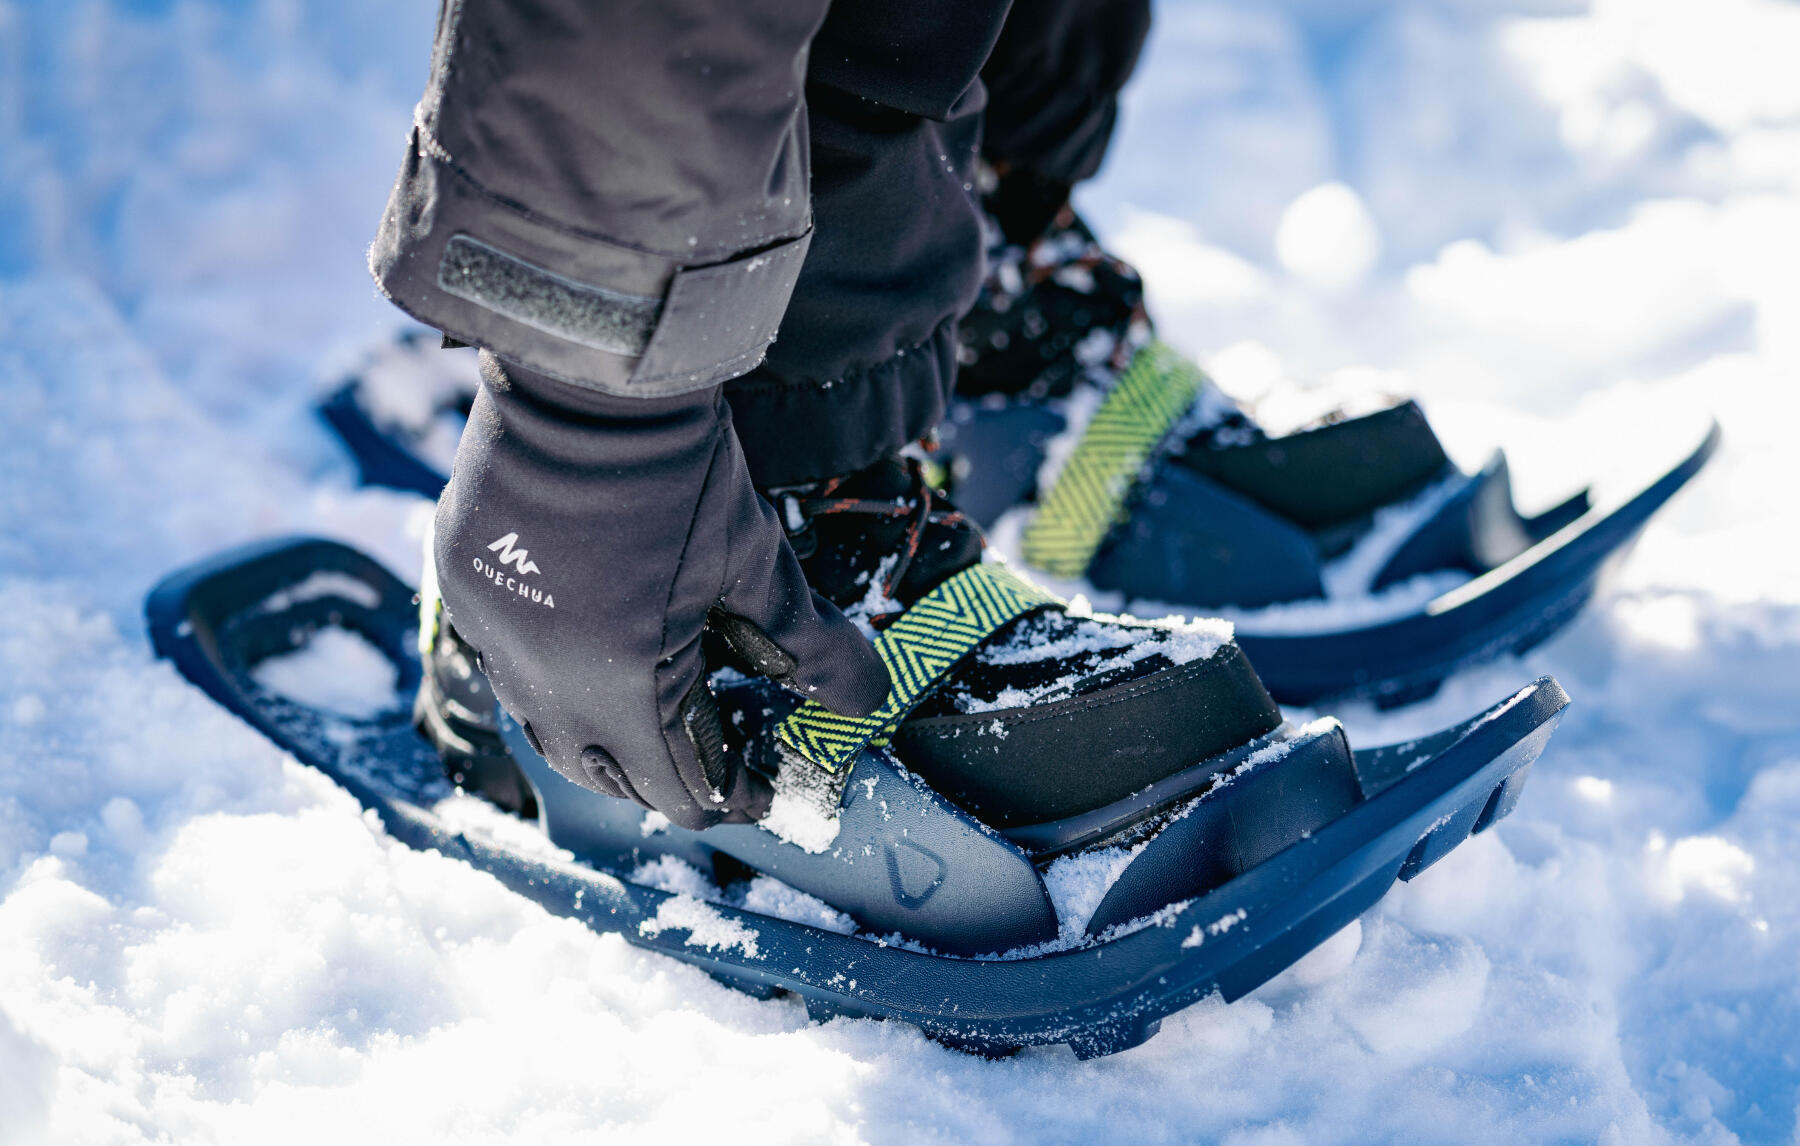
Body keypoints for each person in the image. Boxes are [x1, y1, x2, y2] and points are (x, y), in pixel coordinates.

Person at [372, 0, 1439, 833]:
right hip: (670, 316)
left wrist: (1011, 147)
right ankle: (772, 478)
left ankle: (920, 349)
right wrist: (587, 424)